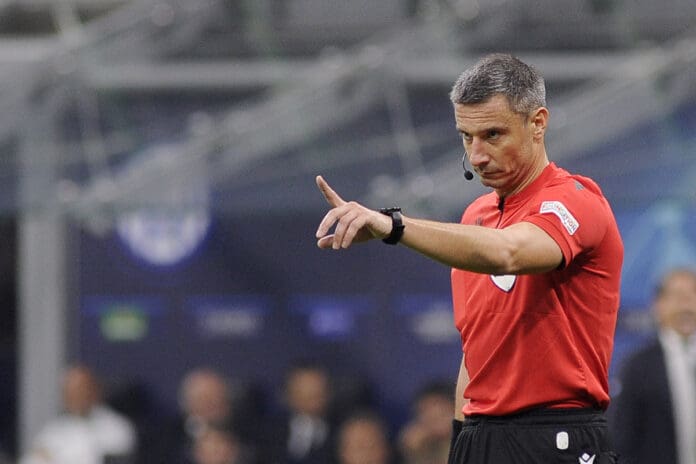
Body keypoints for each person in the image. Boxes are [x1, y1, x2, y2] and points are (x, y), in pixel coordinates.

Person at [314, 53, 623, 464]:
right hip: (480, 435)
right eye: (467, 137)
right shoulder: (476, 216)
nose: (477, 156)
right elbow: (476, 352)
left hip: (556, 436)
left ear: (538, 123)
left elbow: (508, 252)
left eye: (493, 135)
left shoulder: (576, 201)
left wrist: (394, 225)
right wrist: (462, 438)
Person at [609, 268, 696, 464]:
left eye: (693, 295)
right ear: (658, 305)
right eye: (678, 296)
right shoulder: (637, 367)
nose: (687, 305)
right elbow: (622, 439)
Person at [20, 364, 137, 464]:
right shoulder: (54, 430)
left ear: (94, 391)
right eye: (70, 393)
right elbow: (32, 460)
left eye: (80, 391)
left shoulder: (117, 427)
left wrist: (55, 458)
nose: (76, 398)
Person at [263, 361, 335, 464]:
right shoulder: (268, 433)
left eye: (316, 394)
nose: (310, 402)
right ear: (287, 395)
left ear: (328, 394)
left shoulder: (342, 434)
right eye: (301, 393)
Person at [398, 382, 454, 464]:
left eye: (442, 415)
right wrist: (413, 453)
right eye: (429, 419)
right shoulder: (416, 447)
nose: (436, 427)